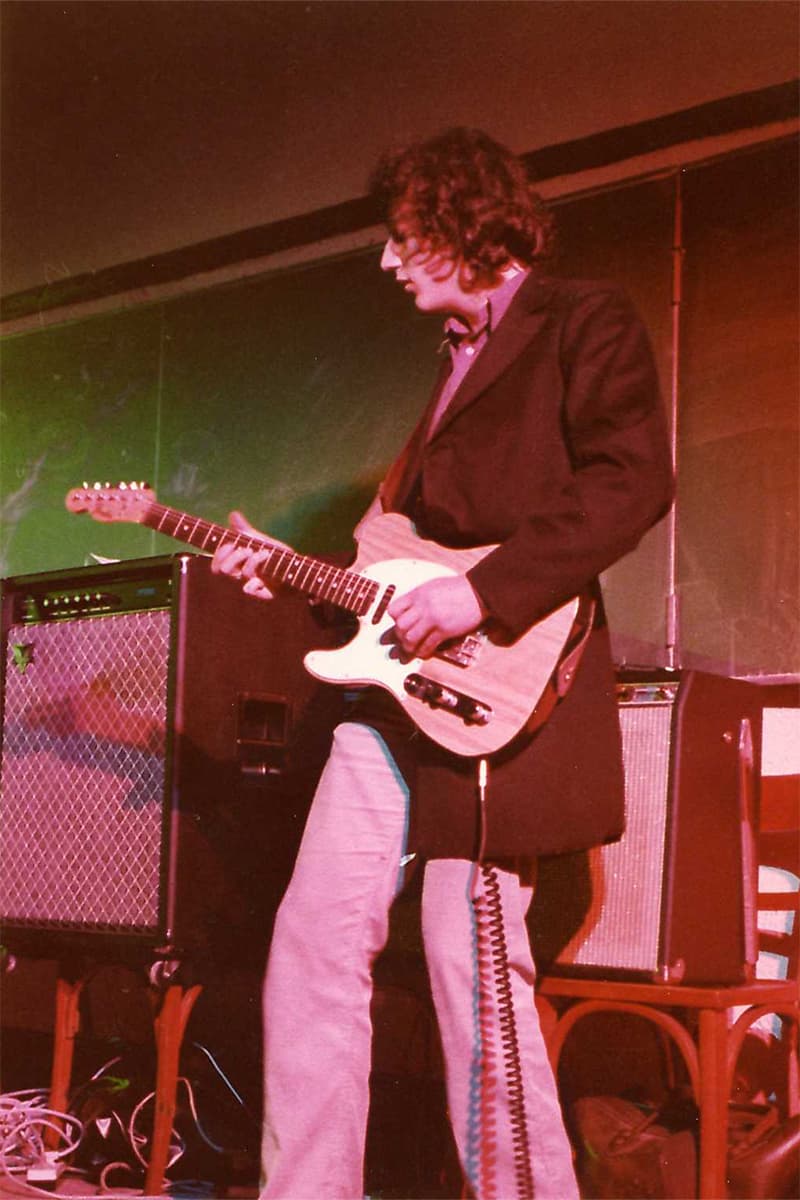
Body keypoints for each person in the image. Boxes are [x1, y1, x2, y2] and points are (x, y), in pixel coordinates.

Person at [212, 127, 674, 1200]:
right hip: (392, 707)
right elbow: (390, 565)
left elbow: (630, 479)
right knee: (314, 937)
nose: (384, 261)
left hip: (508, 686)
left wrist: (483, 592)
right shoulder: (442, 378)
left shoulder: (580, 320)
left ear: (465, 224)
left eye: (402, 237)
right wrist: (276, 570)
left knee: (466, 952)